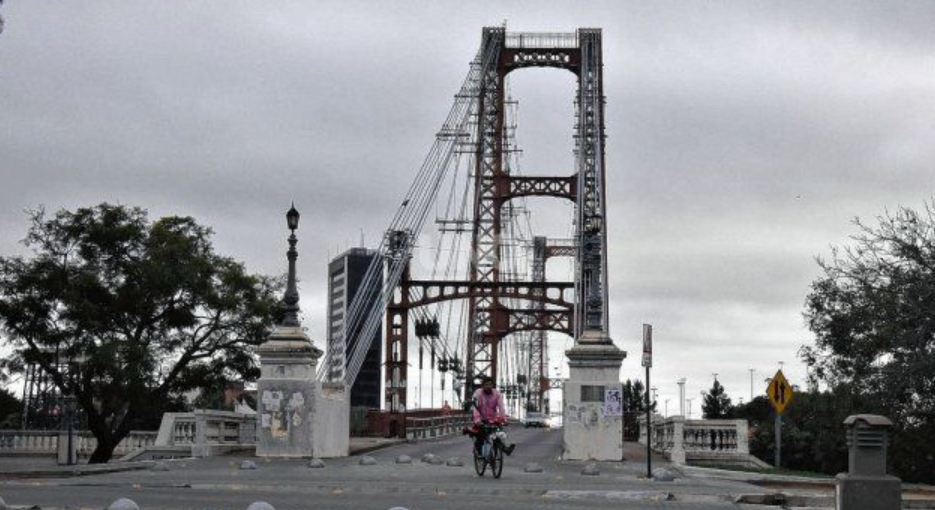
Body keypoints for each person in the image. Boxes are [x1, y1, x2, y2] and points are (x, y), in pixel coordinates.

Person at [468, 377, 515, 455]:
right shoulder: (477, 393)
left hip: (493, 419)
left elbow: (501, 407)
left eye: (490, 384)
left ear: (493, 385)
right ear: (482, 386)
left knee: (496, 435)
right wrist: (477, 420)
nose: (488, 386)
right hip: (480, 419)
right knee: (481, 435)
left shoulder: (497, 394)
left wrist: (503, 418)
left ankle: (505, 449)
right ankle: (478, 452)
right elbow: (474, 407)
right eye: (486, 384)